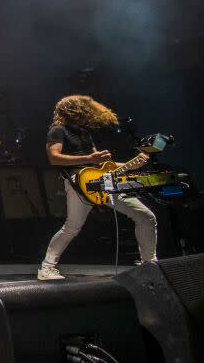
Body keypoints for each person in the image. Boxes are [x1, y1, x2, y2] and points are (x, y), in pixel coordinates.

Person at [37, 95, 157, 281]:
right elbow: (54, 158)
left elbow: (99, 164)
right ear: (75, 111)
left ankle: (149, 264)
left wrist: (130, 164)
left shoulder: (85, 133)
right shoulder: (57, 130)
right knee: (72, 227)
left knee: (146, 216)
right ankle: (46, 268)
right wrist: (89, 159)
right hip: (78, 181)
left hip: (100, 180)